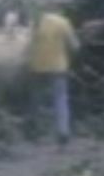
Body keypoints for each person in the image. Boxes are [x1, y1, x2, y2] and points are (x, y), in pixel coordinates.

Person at [27, 8, 80, 144]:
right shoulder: (63, 22)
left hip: (37, 66)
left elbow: (31, 44)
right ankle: (63, 131)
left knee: (36, 99)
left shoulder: (37, 22)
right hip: (58, 67)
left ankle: (35, 130)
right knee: (60, 99)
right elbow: (75, 46)